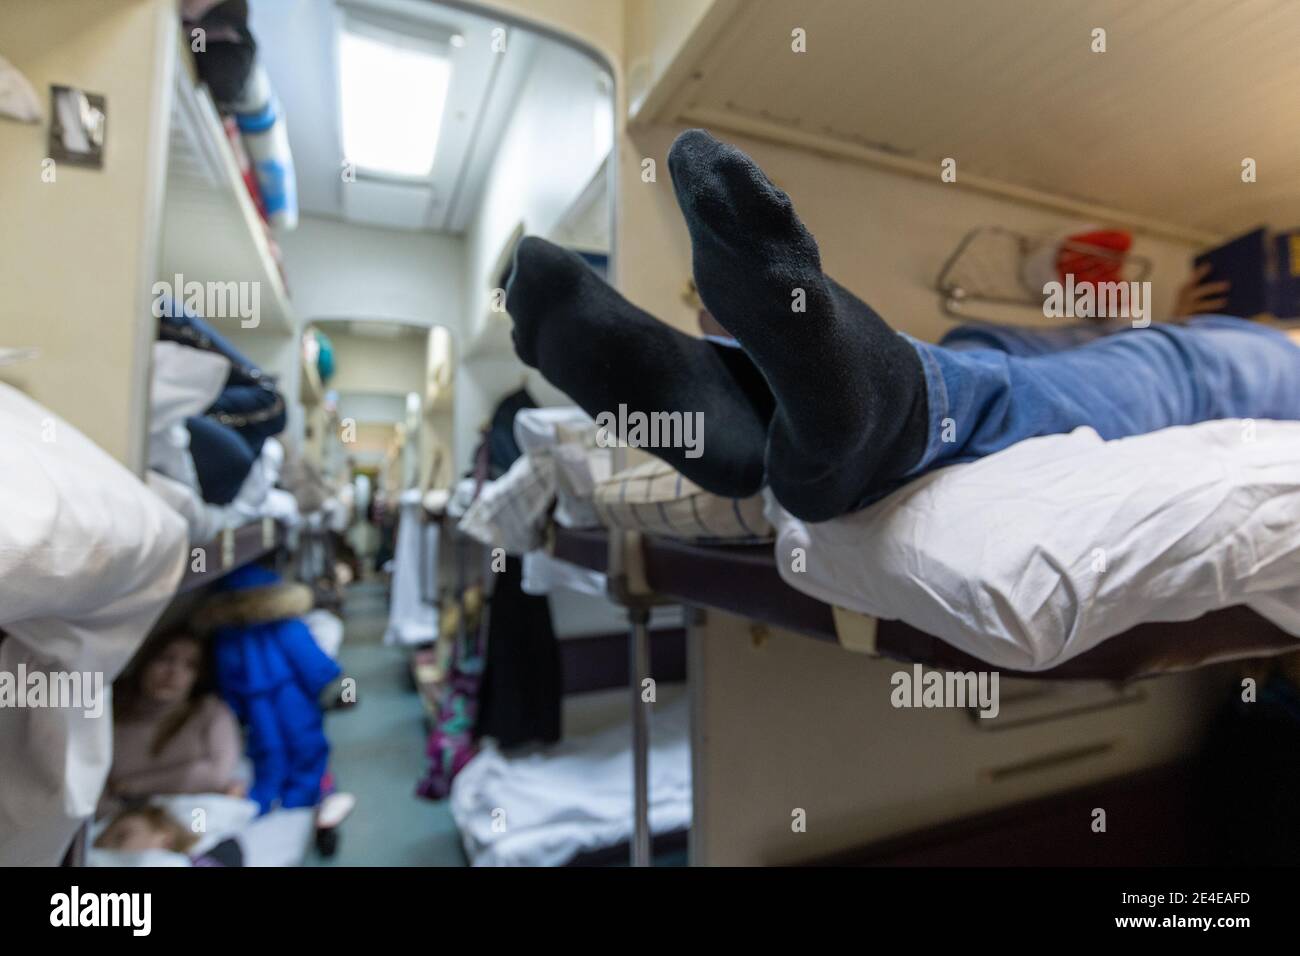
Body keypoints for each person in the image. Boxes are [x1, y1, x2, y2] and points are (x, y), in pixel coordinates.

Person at [504, 129, 1300, 522]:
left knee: (1165, 370)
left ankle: (884, 404)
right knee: (991, 345)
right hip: (1210, 338)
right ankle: (751, 404)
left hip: (1259, 367)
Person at [108, 631, 244, 802]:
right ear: (144, 661)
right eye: (165, 658)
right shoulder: (111, 711)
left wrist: (133, 785)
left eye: (190, 665)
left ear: (198, 676)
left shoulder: (210, 712)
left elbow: (218, 775)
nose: (174, 672)